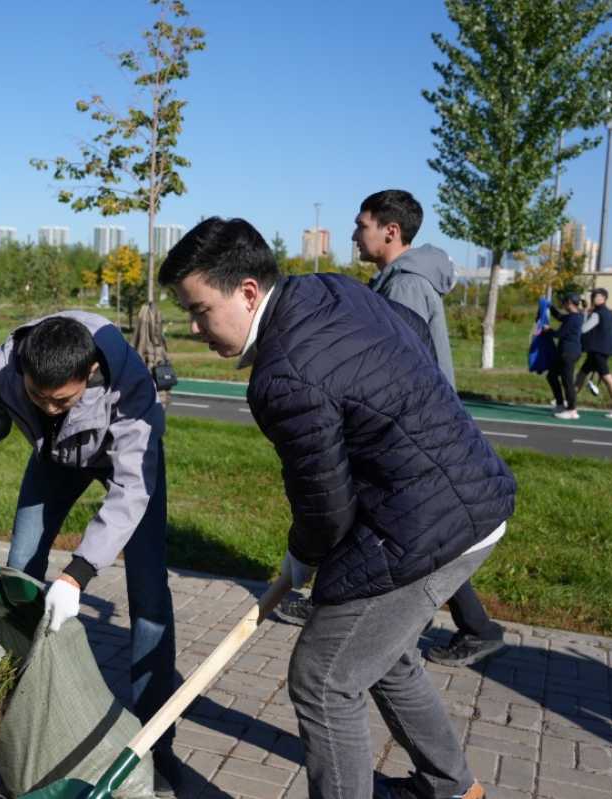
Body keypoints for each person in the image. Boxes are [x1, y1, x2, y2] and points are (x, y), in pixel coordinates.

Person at [159, 217, 515, 799]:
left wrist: (302, 556)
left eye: (200, 310)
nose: (195, 329)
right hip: (467, 490)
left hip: (430, 525)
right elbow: (409, 342)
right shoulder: (330, 288)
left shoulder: (282, 375)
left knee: (323, 678)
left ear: (248, 292)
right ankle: (453, 788)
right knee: (378, 651)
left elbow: (324, 505)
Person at [0, 312, 181, 795]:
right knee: (16, 576)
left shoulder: (129, 383)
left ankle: (157, 741)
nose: (50, 409)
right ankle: (13, 720)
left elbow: (131, 489)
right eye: (38, 397)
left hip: (126, 469)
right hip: (53, 462)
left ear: (92, 371)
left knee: (149, 595)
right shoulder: (1, 368)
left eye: (64, 400)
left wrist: (79, 572)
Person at [276, 190, 506, 669]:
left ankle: (449, 627)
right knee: (422, 534)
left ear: (390, 231)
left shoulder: (405, 287)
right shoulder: (397, 281)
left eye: (361, 225)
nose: (354, 234)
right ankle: (472, 627)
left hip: (410, 430)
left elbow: (394, 370)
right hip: (411, 428)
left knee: (411, 530)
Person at [576, 287, 612, 418]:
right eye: (594, 296)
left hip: (597, 351)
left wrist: (584, 313)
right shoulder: (608, 312)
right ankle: (569, 401)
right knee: (581, 375)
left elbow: (583, 329)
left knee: (607, 377)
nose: (594, 298)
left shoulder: (597, 313)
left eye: (598, 296)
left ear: (604, 298)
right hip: (600, 350)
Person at [547, 292, 584, 420]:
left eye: (564, 302)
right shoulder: (574, 315)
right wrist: (549, 306)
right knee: (551, 376)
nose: (562, 304)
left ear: (569, 303)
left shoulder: (574, 318)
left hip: (569, 353)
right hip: (565, 352)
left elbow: (559, 334)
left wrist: (547, 330)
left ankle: (572, 410)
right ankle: (560, 404)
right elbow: (559, 316)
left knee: (567, 381)